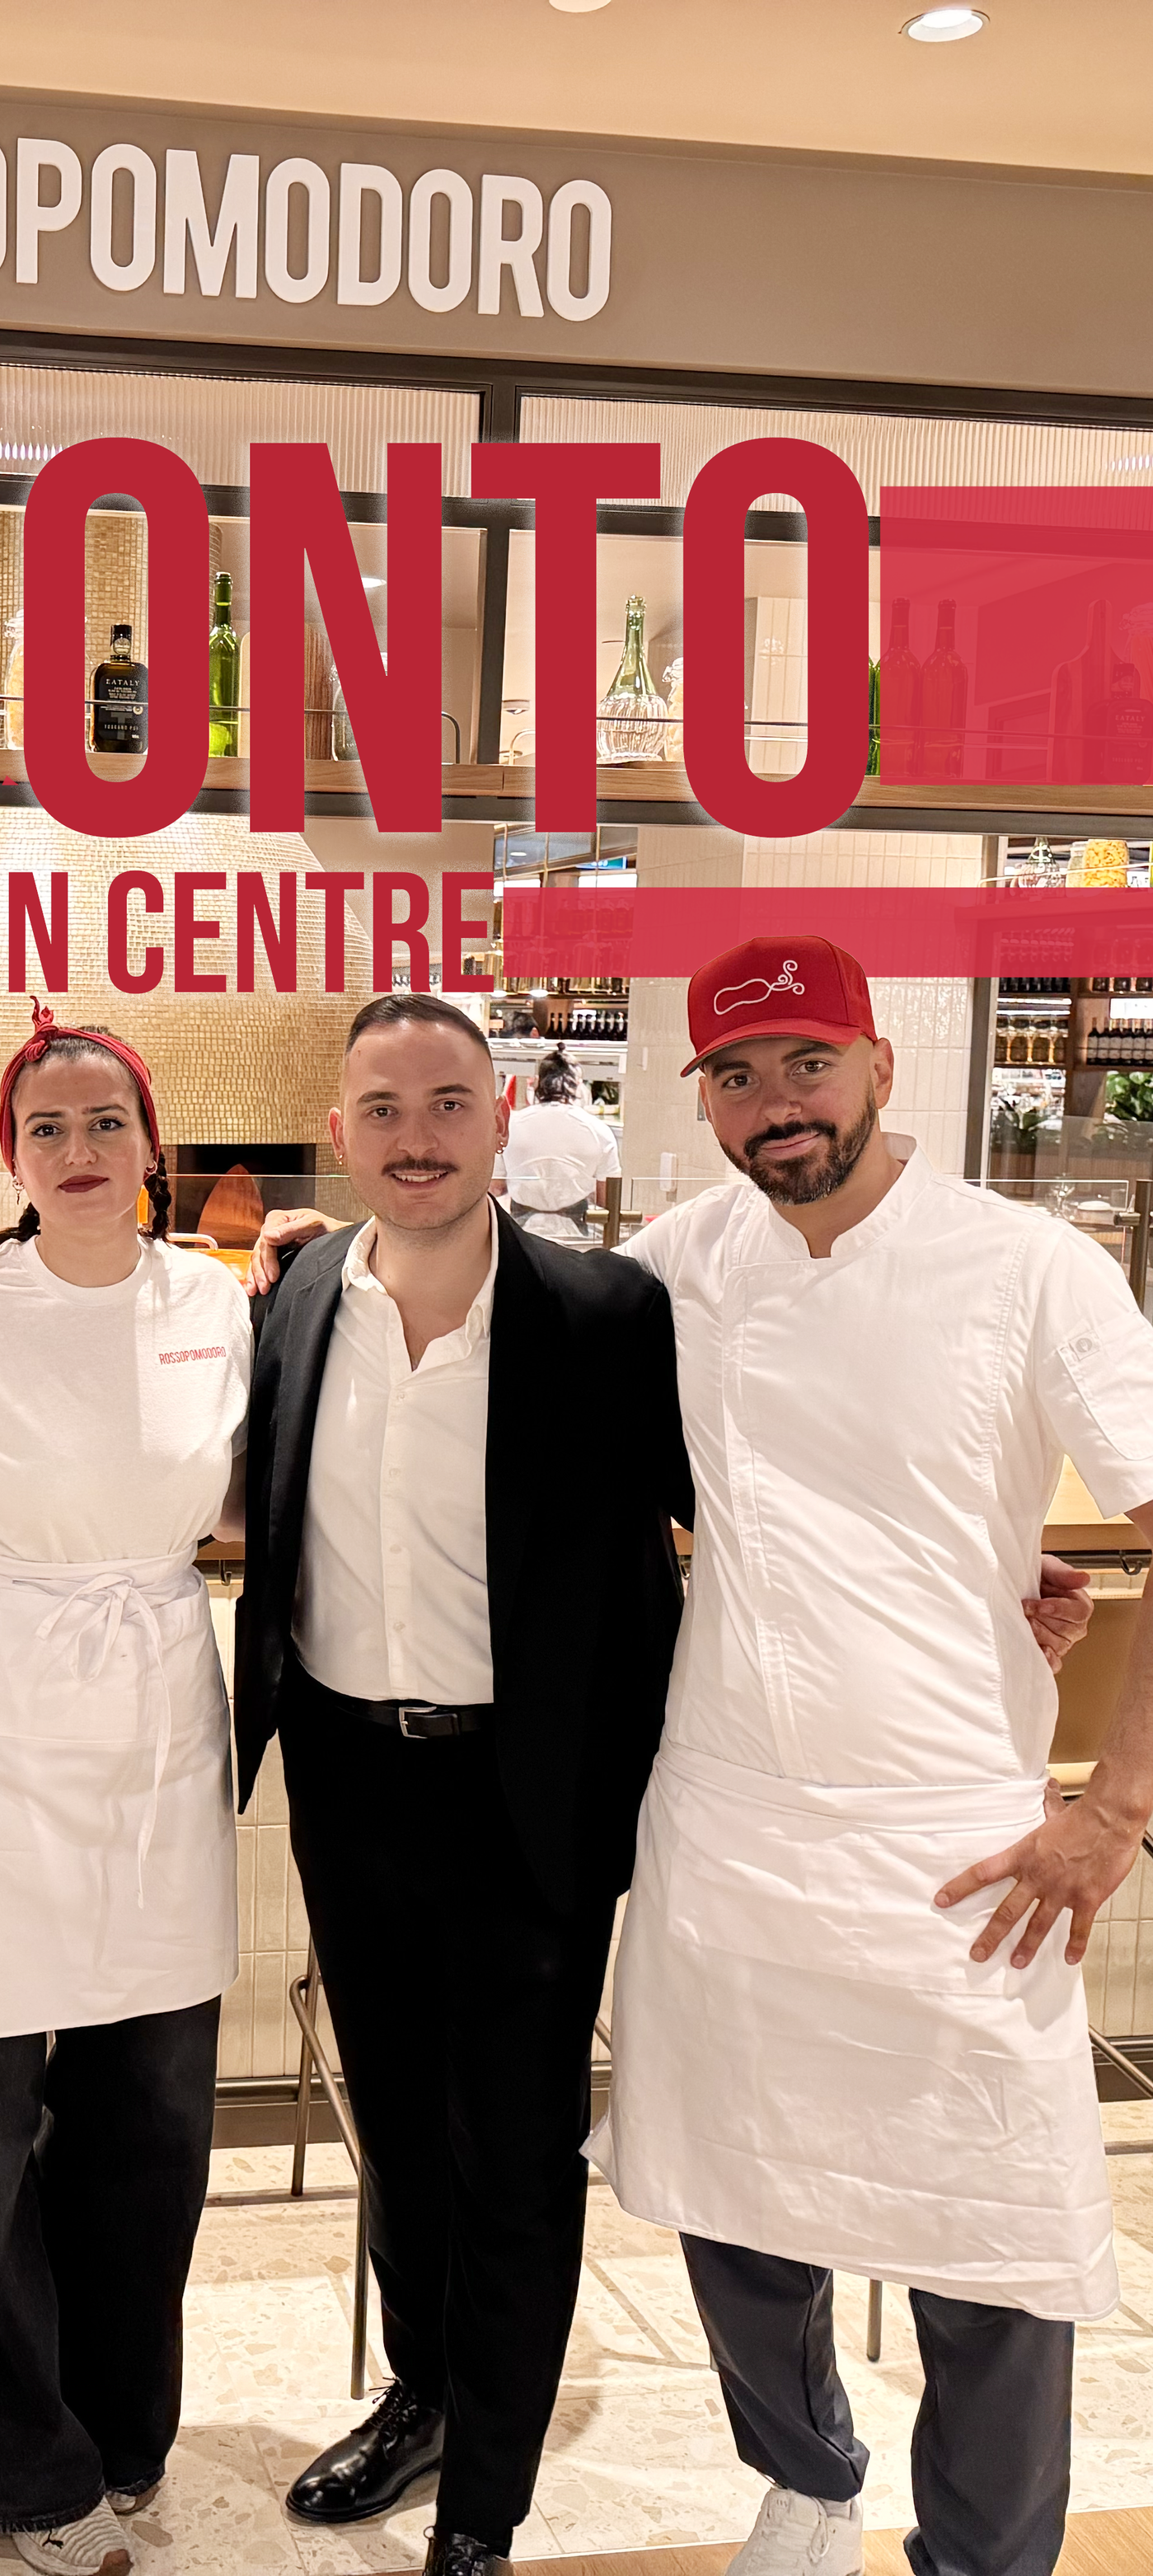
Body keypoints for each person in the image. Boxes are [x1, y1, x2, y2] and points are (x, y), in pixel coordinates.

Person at [591, 935, 1153, 2576]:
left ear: (879, 1060)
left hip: (954, 1824)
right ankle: (806, 2475)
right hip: (730, 1803)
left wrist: (1109, 1805)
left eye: (804, 1062)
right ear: (700, 1096)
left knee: (988, 2235)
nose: (775, 1104)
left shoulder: (1028, 1263)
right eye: (736, 1075)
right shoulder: (676, 1262)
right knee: (729, 2192)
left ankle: (979, 2556)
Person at [235, 992, 691, 2576]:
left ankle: (486, 2498)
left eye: (446, 1103)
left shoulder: (607, 1315)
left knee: (513, 2143)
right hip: (352, 1778)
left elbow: (751, 1519)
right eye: (384, 1107)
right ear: (343, 1128)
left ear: (502, 1121)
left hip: (528, 1793)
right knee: (404, 2131)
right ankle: (423, 2393)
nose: (415, 1136)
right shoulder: (296, 1298)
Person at [0, 1004, 250, 2576]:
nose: (78, 1152)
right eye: (46, 1129)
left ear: (153, 1143)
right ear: (9, 1156)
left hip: (157, 1715)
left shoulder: (218, 1303)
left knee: (150, 2115)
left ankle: (124, 2430)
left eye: (105, 1123)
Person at [494, 1044, 621, 1243]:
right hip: (575, 1237)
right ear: (578, 1085)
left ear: (538, 1083)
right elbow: (609, 1199)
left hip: (520, 1236)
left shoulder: (512, 1125)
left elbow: (496, 1186)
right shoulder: (599, 1130)